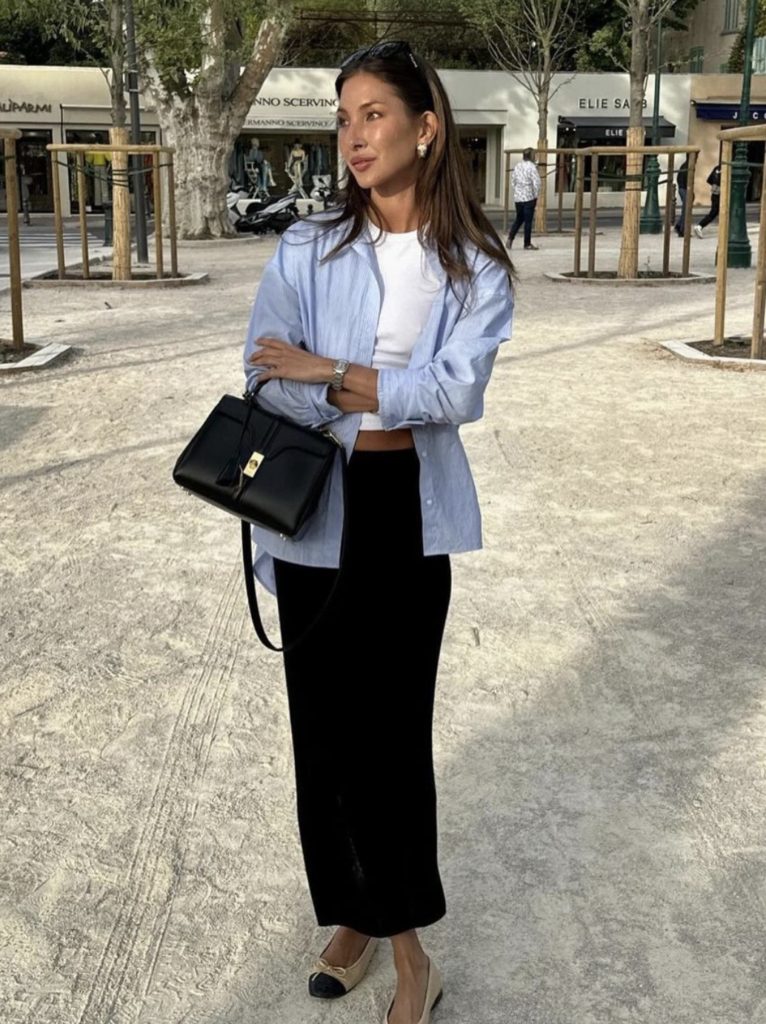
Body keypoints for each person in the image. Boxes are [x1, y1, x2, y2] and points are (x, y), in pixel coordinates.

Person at [242, 39, 514, 1024]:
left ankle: (411, 955)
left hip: (406, 519)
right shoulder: (307, 247)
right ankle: (351, 914)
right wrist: (338, 387)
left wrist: (331, 372)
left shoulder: (472, 263)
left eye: (373, 115)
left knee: (390, 741)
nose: (353, 135)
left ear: (425, 126)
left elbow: (454, 393)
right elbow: (263, 370)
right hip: (316, 511)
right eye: (343, 117)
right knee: (324, 736)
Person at [507, 147, 541, 250]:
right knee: (528, 222)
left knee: (519, 219)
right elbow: (537, 183)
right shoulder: (532, 167)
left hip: (518, 198)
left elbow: (513, 182)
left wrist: (518, 191)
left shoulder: (518, 166)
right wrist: (535, 195)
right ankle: (527, 244)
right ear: (532, 156)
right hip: (529, 198)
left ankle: (510, 238)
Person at [694, 163, 721, 238]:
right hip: (721, 194)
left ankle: (700, 226)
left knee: (714, 212)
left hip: (715, 193)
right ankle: (700, 226)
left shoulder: (717, 168)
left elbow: (709, 180)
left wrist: (716, 186)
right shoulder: (727, 169)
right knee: (720, 212)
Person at [675, 158, 689, 237]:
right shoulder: (687, 166)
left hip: (683, 188)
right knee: (686, 209)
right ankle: (682, 229)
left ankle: (679, 225)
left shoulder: (685, 165)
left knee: (685, 209)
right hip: (684, 188)